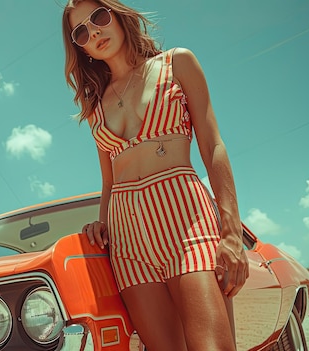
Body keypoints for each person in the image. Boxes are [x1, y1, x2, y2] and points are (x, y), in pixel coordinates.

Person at [62, 1, 249, 350]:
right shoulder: (95, 107)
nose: (95, 31)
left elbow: (213, 146)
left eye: (99, 17)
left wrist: (231, 232)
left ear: (117, 14)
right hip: (128, 241)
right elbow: (109, 181)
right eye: (82, 32)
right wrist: (100, 222)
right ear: (81, 48)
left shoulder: (177, 63)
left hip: (186, 220)